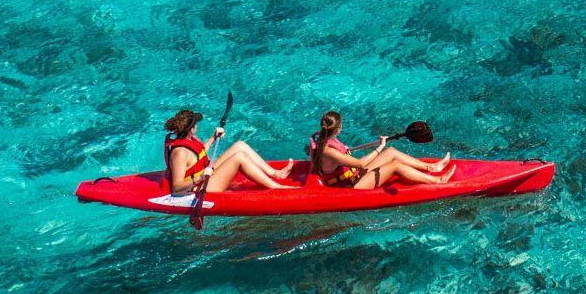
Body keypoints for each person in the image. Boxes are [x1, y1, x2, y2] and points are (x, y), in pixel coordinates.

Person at [307, 111, 455, 189]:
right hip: (350, 186)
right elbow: (361, 164)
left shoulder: (319, 138)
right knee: (395, 166)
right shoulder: (329, 151)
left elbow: (313, 152)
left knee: (391, 152)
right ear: (338, 129)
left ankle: (431, 167)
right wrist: (380, 147)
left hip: (351, 176)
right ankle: (437, 180)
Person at [163, 109, 295, 195]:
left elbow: (198, 155)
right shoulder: (179, 153)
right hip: (200, 187)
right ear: (192, 128)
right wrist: (201, 177)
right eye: (195, 124)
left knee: (240, 145)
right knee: (238, 157)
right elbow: (177, 187)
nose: (197, 126)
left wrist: (214, 137)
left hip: (206, 174)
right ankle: (276, 188)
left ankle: (275, 174)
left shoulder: (189, 139)